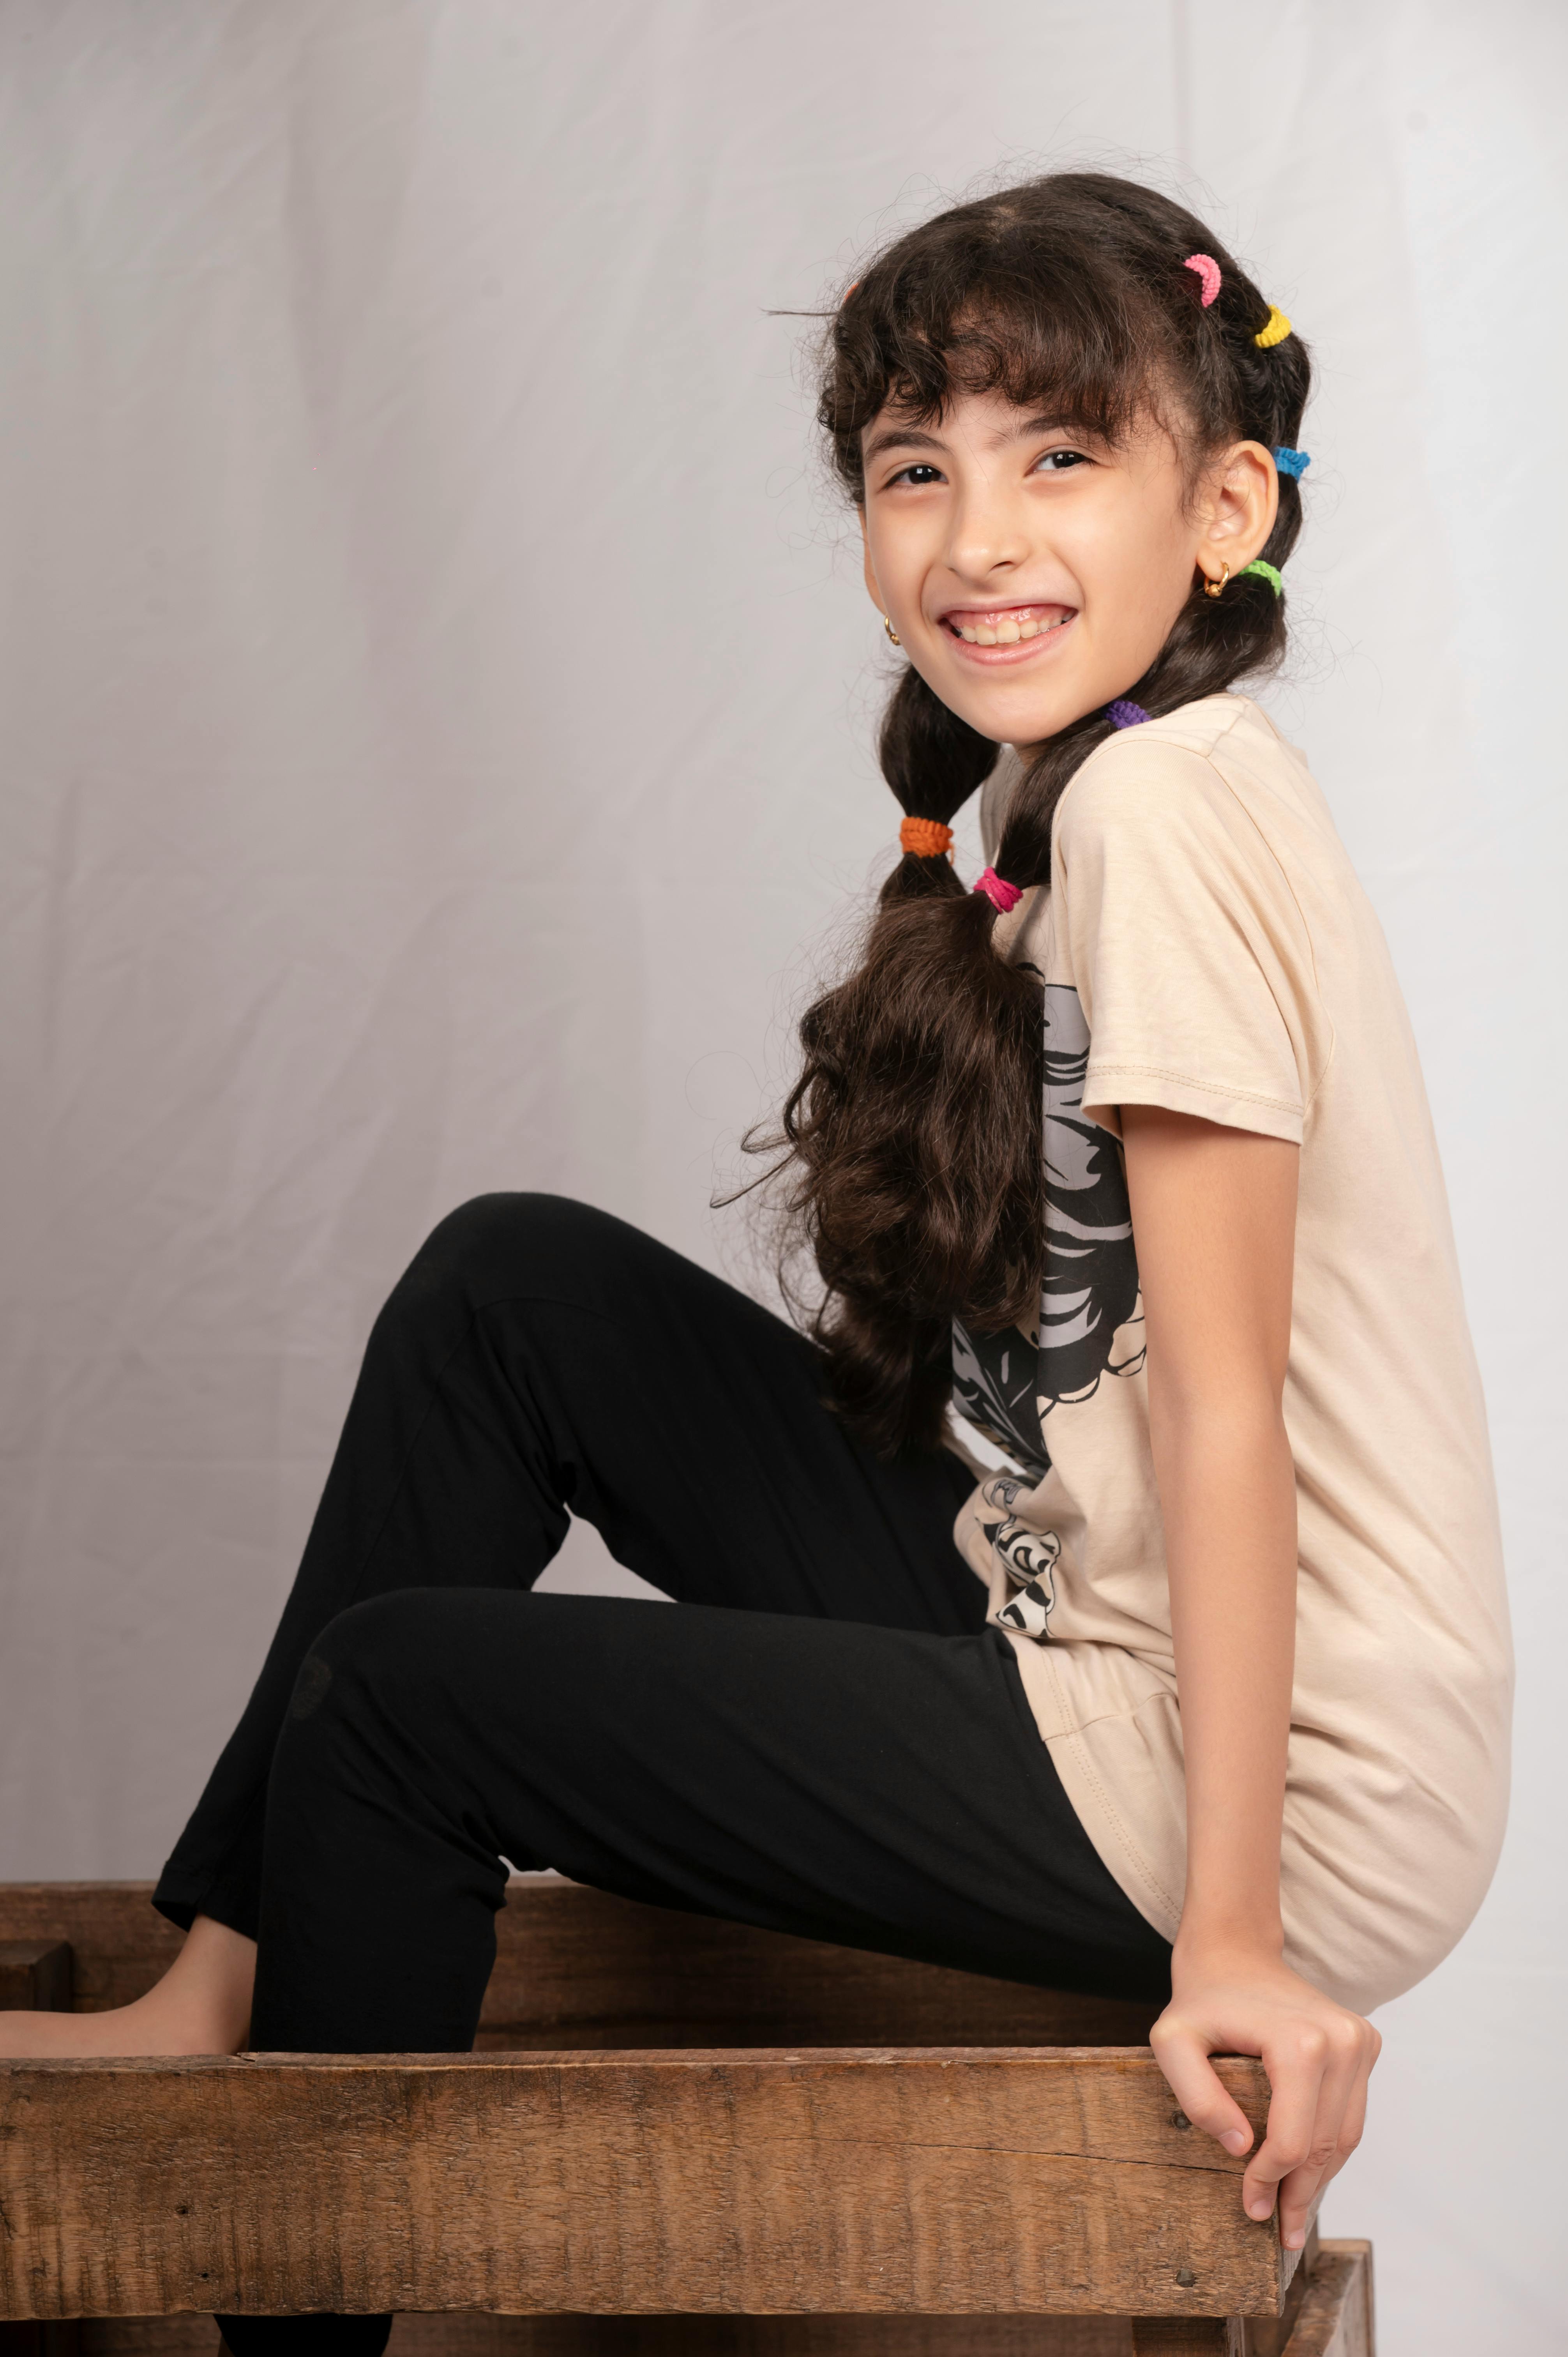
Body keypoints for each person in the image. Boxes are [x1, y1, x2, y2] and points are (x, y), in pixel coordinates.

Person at [2, 173, 1511, 2352]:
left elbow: (1219, 1401)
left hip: (1258, 1769)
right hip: (1092, 1634)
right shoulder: (1086, 802)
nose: (975, 539)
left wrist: (1237, 1939)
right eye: (919, 471)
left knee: (399, 1704)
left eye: (1058, 454)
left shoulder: (1168, 816)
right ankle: (215, 1991)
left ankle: (284, 2304)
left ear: (1221, 506)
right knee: (508, 1294)